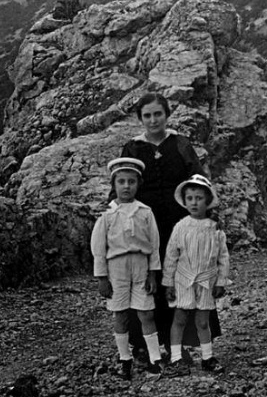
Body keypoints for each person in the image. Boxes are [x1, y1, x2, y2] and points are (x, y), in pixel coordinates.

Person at [119, 92, 221, 363]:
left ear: (167, 115)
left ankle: (181, 344)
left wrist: (207, 218)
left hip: (178, 224)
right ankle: (143, 345)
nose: (153, 120)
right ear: (140, 119)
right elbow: (123, 184)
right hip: (144, 226)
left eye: (158, 114)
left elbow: (197, 183)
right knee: (143, 281)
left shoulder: (181, 144)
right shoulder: (132, 148)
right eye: (147, 115)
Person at [90, 157, 164, 380]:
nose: (126, 186)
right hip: (117, 268)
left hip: (141, 266)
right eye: (121, 181)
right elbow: (98, 248)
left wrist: (153, 272)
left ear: (138, 184)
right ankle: (125, 360)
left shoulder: (145, 212)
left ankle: (155, 359)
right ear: (114, 185)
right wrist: (102, 277)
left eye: (131, 181)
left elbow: (154, 244)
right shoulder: (107, 214)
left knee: (146, 312)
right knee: (120, 314)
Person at [161, 174, 229, 377]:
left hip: (206, 281)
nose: (194, 202)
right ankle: (176, 358)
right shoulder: (181, 227)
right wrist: (168, 283)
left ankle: (207, 358)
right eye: (189, 198)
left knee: (202, 321)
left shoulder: (215, 229)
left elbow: (223, 257)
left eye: (198, 198)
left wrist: (221, 281)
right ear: (185, 201)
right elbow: (171, 256)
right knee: (180, 319)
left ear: (207, 201)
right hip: (183, 280)